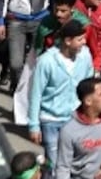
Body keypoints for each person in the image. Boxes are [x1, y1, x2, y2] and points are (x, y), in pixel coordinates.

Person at [28, 21, 96, 168]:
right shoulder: (46, 61)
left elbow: (90, 88)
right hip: (51, 121)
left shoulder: (85, 55)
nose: (84, 43)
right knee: (55, 165)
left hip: (75, 120)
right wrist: (34, 126)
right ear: (67, 41)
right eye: (80, 40)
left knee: (76, 163)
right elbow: (36, 93)